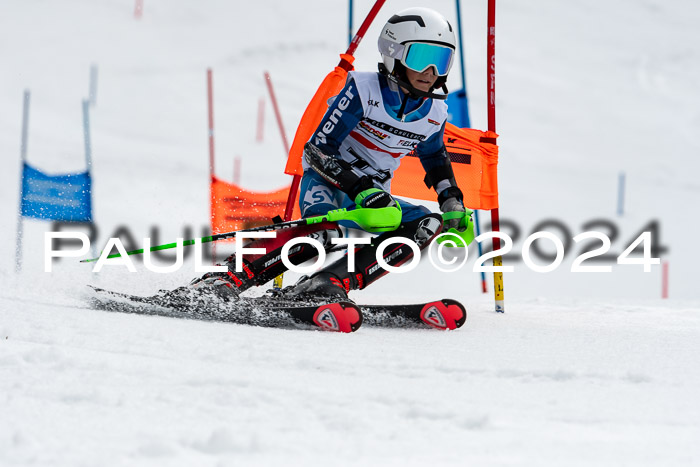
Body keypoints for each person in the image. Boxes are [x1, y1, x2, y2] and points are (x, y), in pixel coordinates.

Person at [192, 7, 474, 301]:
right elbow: (316, 151)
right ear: (394, 53)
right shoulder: (363, 90)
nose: (432, 73)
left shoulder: (436, 112)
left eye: (441, 61)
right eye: (421, 58)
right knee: (321, 235)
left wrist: (451, 199)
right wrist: (359, 188)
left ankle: (328, 283)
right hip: (329, 181)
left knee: (426, 225)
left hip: (375, 198)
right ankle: (228, 278)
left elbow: (435, 158)